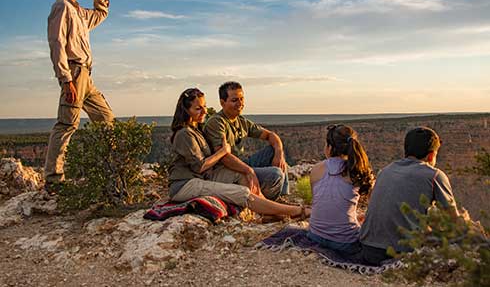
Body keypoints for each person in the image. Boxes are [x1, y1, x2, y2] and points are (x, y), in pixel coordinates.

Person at [168, 88, 309, 218]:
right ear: (186, 111)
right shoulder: (184, 134)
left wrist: (278, 153)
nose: (204, 111)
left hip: (202, 177)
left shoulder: (196, 129)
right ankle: (294, 212)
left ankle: (269, 209)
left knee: (243, 176)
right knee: (241, 193)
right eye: (198, 108)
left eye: (204, 106)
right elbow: (199, 166)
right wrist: (224, 151)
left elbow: (269, 135)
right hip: (185, 185)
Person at [44, 0, 114, 189]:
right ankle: (54, 180)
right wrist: (66, 80)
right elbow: (56, 44)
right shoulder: (61, 7)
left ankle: (109, 170)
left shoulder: (78, 11)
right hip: (74, 73)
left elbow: (101, 13)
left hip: (85, 74)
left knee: (105, 117)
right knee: (67, 123)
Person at [359, 126, 458, 265]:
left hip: (367, 249)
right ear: (431, 155)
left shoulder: (384, 171)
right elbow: (453, 219)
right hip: (401, 253)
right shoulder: (434, 175)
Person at [203, 81, 288, 201]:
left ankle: (283, 197)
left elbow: (271, 135)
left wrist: (279, 154)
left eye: (241, 99)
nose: (240, 103)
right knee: (276, 174)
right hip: (227, 170)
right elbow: (224, 158)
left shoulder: (241, 121)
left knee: (274, 150)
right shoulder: (217, 123)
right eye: (234, 100)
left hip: (243, 163)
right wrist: (249, 171)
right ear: (222, 103)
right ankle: (267, 206)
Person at [308, 124, 375, 255]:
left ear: (329, 147)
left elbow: (321, 203)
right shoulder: (357, 172)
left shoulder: (316, 169)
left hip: (314, 235)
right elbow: (374, 208)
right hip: (346, 242)